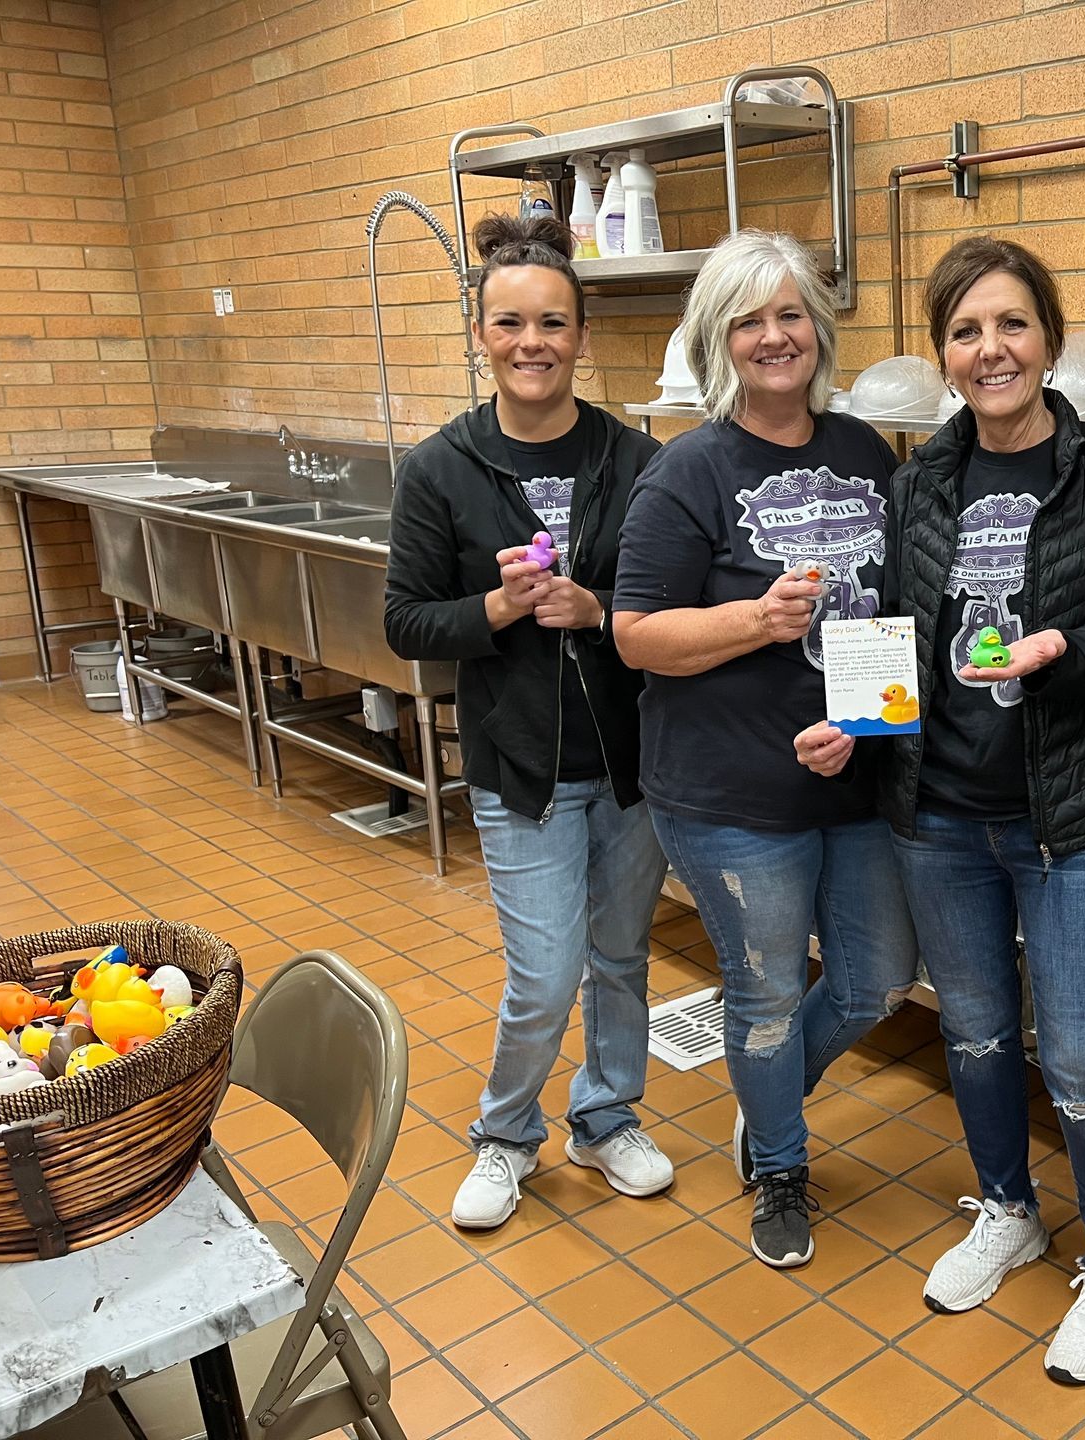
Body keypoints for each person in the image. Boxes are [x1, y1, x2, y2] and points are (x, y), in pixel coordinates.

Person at [795, 236, 1085, 1384]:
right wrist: (853, 725)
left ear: (1049, 340)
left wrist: (1066, 651)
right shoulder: (918, 483)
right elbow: (902, 641)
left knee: (1078, 1057)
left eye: (1012, 324)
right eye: (966, 330)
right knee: (970, 1031)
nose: (991, 349)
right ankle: (1009, 1208)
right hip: (942, 816)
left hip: (1077, 820)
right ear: (944, 354)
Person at [613, 230, 918, 1271]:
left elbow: (885, 619)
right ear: (719, 340)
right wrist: (756, 620)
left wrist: (869, 725)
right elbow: (634, 635)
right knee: (767, 993)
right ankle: (780, 1166)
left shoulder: (867, 452)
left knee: (879, 977)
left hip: (853, 776)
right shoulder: (684, 473)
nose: (774, 335)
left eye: (792, 314)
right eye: (750, 319)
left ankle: (772, 1099)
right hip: (731, 794)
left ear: (819, 332)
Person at [385, 213, 673, 1232]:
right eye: (509, 323)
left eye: (552, 322)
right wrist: (497, 609)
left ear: (581, 334)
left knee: (622, 959)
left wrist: (596, 611)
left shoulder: (636, 460)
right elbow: (406, 620)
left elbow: (663, 604)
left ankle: (604, 1117)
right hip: (522, 773)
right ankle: (507, 1135)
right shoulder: (441, 470)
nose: (531, 343)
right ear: (479, 332)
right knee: (546, 975)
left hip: (631, 764)